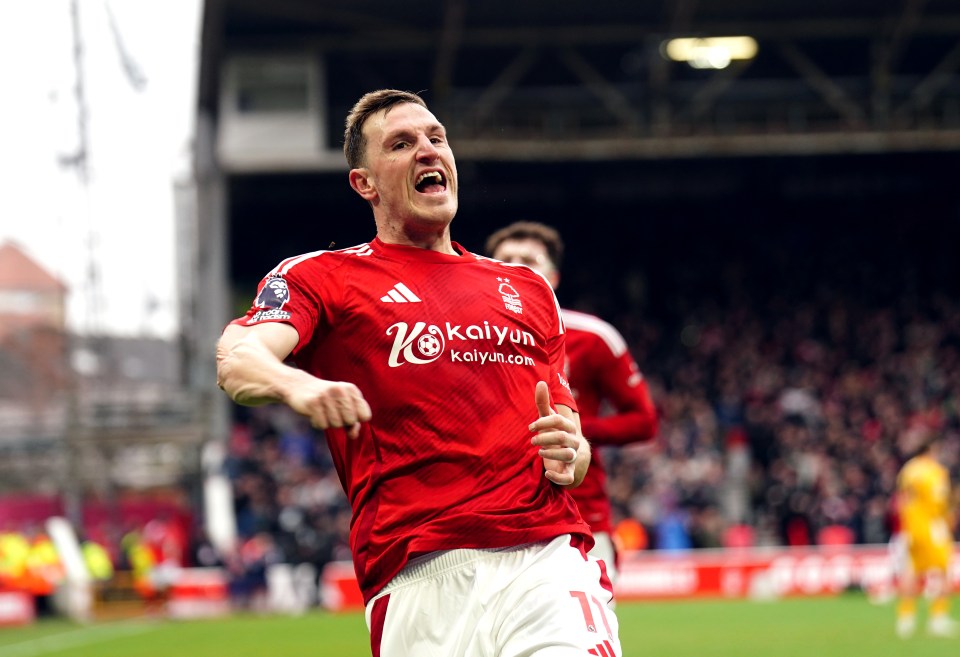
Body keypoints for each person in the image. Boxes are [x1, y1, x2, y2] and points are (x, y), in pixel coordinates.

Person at [217, 89, 621, 656]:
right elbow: (237, 357)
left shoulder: (527, 290)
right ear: (365, 183)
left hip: (546, 556)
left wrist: (570, 453)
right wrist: (298, 384)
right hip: (416, 577)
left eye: (436, 138)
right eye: (402, 144)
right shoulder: (322, 277)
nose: (428, 151)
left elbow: (569, 450)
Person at [485, 221, 659, 583]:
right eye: (505, 259)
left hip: (581, 516)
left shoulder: (593, 338)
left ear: (553, 277)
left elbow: (644, 420)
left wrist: (574, 430)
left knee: (590, 638)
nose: (516, 266)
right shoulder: (465, 340)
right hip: (493, 522)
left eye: (529, 260)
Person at [894, 434, 959, 638]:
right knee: (942, 571)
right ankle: (937, 619)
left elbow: (901, 500)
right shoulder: (935, 471)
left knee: (911, 570)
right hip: (932, 526)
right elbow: (940, 501)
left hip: (911, 527)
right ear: (931, 451)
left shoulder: (908, 470)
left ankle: (906, 619)